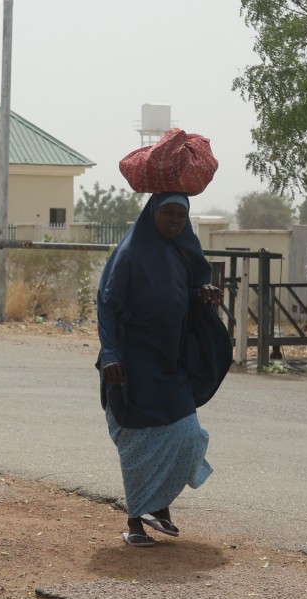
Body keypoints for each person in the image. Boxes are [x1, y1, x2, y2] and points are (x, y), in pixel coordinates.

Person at [96, 193, 226, 547]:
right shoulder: (130, 254)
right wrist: (110, 354)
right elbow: (107, 305)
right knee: (138, 442)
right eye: (167, 212)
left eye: (180, 215)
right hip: (131, 365)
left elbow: (193, 285)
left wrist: (204, 292)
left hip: (171, 362)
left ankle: (159, 506)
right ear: (153, 212)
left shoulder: (183, 252)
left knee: (187, 435)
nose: (174, 221)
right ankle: (136, 520)